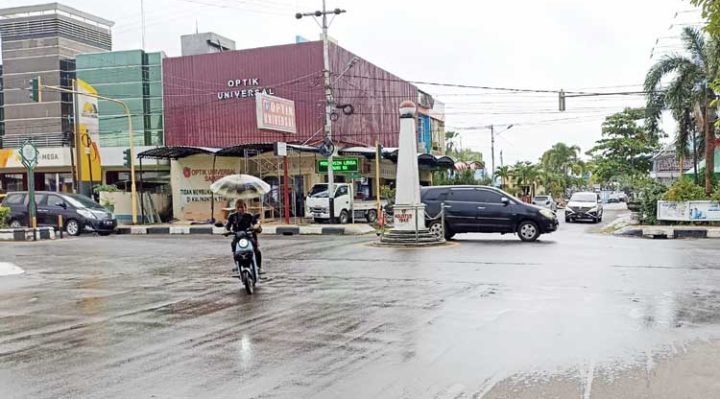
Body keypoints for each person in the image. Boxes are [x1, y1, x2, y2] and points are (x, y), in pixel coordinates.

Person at [225, 199, 262, 270]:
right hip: (237, 236)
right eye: (238, 208)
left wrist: (256, 227)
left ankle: (259, 266)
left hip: (248, 235)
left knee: (256, 248)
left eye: (242, 207)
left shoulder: (249, 216)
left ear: (245, 207)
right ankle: (237, 264)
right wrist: (227, 231)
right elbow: (227, 226)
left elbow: (255, 223)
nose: (240, 209)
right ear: (236, 208)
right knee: (233, 246)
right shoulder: (232, 216)